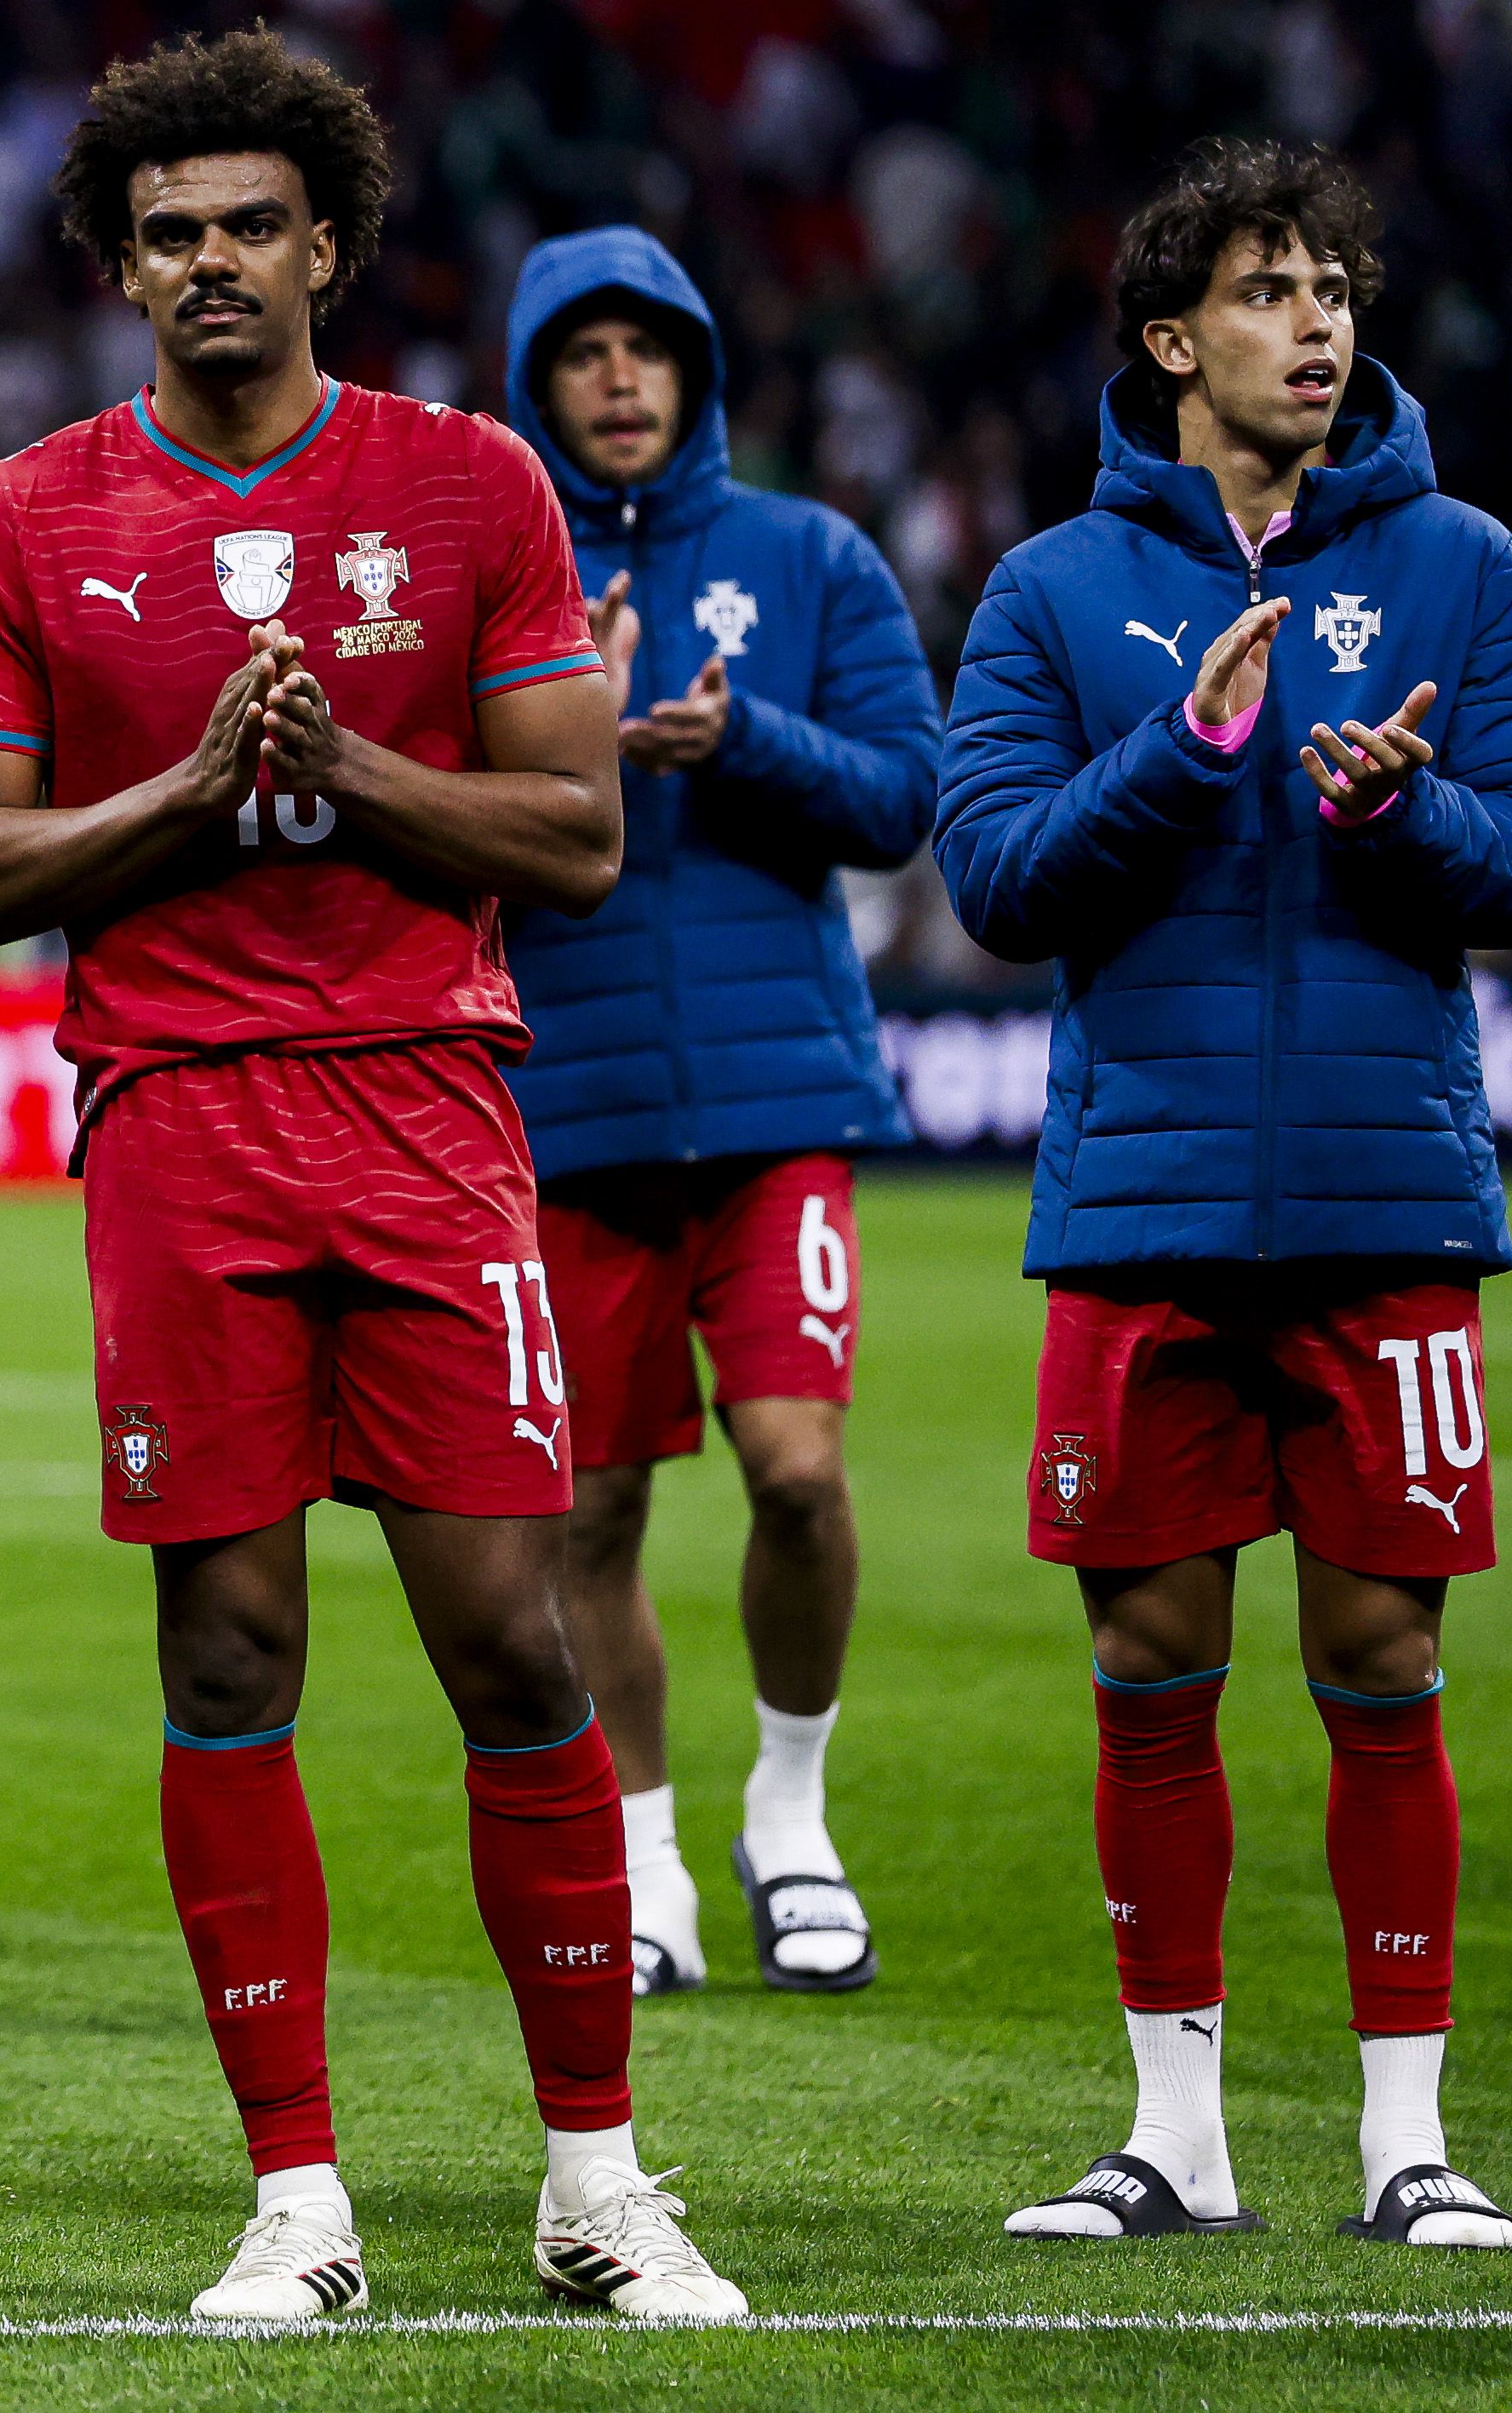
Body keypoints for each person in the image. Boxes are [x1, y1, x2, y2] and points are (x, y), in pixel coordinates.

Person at [0, 29, 745, 2326]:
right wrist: (188, 795)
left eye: (248, 222)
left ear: (329, 245)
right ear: (113, 264)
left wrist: (347, 768)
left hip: (427, 1109)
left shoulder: (471, 487)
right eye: (163, 230)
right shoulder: (21, 517)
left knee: (508, 1627)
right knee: (231, 1638)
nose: (206, 261)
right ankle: (297, 2197)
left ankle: (600, 2180)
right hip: (177, 1123)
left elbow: (573, 834)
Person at [936, 137, 1512, 2249]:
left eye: (1332, 287)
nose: (1316, 322)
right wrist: (1185, 755)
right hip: (1138, 1208)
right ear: (1171, 337)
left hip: (1388, 1203)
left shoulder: (1468, 565)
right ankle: (1178, 2135)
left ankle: (1409, 2138)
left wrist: (1405, 817)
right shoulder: (1050, 591)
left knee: (1384, 1650)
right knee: (1148, 1652)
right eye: (1267, 290)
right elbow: (996, 879)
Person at [493, 227, 941, 2000]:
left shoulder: (810, 554)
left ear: (694, 371)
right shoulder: (486, 571)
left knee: (801, 1471)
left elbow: (908, 793)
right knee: (588, 1514)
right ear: (538, 382)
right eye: (582, 351)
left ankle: (794, 1808)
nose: (617, 378)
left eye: (645, 348)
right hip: (570, 1108)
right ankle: (648, 1849)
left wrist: (737, 738)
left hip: (775, 1106)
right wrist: (574, 742)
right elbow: (433, 810)